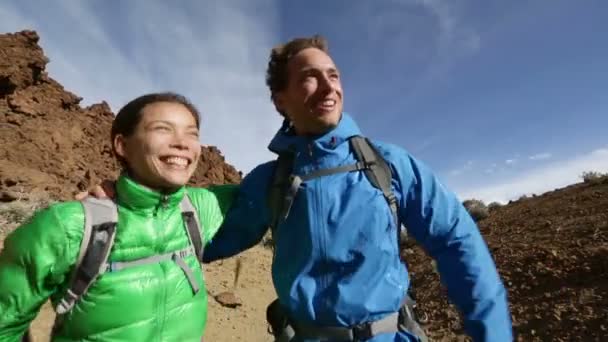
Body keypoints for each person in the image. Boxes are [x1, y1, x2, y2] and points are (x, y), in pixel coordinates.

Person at [201, 35, 513, 341]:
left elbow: (458, 242)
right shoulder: (268, 181)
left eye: (333, 75)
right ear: (281, 100)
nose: (329, 86)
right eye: (310, 77)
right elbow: (201, 239)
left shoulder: (388, 164)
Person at [0, 92, 237, 341]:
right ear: (122, 145)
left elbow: (275, 181)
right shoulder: (68, 225)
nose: (183, 143)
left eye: (192, 133)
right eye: (163, 129)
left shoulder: (202, 206)